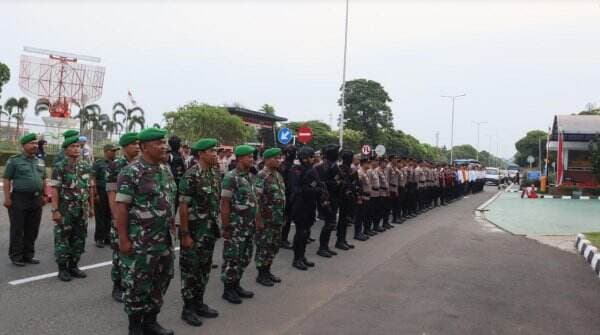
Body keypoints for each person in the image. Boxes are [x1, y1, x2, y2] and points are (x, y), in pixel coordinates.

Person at [116, 128, 176, 335]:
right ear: (144, 147)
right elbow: (122, 207)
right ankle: (135, 327)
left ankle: (151, 322)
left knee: (162, 281)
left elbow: (170, 201)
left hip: (165, 239)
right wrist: (123, 239)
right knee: (137, 286)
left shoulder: (165, 169)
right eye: (158, 143)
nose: (164, 146)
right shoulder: (130, 172)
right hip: (142, 241)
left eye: (164, 142)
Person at [178, 138, 221, 326]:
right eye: (212, 151)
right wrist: (185, 234)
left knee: (204, 268)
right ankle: (188, 309)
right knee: (190, 271)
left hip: (209, 230)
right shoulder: (191, 175)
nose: (215, 154)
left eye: (216, 151)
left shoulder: (214, 173)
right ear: (201, 154)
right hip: (194, 232)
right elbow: (183, 206)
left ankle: (199, 303)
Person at [49, 135, 95, 281]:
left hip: (82, 210)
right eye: (73, 147)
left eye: (78, 147)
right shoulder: (59, 167)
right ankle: (62, 269)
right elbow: (55, 189)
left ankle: (73, 266)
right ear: (66, 149)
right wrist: (55, 210)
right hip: (65, 210)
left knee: (79, 239)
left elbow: (89, 189)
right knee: (63, 239)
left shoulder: (85, 166)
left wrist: (92, 207)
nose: (76, 149)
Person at [220, 145, 261, 304]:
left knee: (244, 257)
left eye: (252, 156)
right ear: (239, 158)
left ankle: (236, 284)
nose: (252, 159)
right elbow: (224, 203)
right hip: (236, 226)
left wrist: (257, 220)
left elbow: (254, 200)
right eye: (248, 157)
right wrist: (226, 226)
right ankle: (228, 289)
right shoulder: (231, 177)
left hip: (248, 226)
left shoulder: (250, 176)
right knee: (232, 258)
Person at [3, 133, 47, 266]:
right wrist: (7, 198)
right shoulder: (14, 160)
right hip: (19, 198)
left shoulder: (40, 161)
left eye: (35, 143)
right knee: (18, 229)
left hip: (36, 199)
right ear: (23, 146)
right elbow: (7, 179)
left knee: (32, 228)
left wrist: (44, 195)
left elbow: (44, 179)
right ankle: (16, 256)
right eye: (31, 143)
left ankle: (28, 255)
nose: (35, 146)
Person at [106, 132, 139, 303]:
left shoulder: (143, 165)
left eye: (138, 143)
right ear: (125, 146)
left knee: (134, 252)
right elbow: (111, 192)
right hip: (121, 213)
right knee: (120, 252)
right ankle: (117, 286)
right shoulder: (115, 166)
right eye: (133, 144)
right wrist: (115, 216)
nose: (137, 147)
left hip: (138, 218)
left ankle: (130, 284)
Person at [254, 147, 286, 287]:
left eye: (279, 158)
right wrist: (258, 219)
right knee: (264, 246)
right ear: (267, 159)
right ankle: (261, 274)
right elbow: (256, 199)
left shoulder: (278, 175)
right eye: (275, 158)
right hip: (266, 219)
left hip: (277, 218)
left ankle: (268, 271)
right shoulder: (262, 176)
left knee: (273, 246)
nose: (279, 160)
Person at [290, 146, 324, 270]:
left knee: (306, 232)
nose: (313, 159)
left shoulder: (311, 169)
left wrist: (319, 189)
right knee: (300, 233)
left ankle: (302, 256)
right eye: (311, 157)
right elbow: (297, 189)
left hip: (309, 204)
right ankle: (296, 259)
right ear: (304, 158)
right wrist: (312, 190)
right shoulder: (297, 170)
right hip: (300, 205)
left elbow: (316, 183)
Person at [316, 144, 341, 257]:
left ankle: (325, 246)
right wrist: (336, 183)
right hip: (327, 198)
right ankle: (322, 248)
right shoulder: (322, 167)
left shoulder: (333, 165)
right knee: (329, 223)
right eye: (336, 152)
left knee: (331, 223)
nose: (338, 154)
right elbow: (321, 183)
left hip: (334, 197)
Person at [93, 144, 119, 248]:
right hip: (101, 191)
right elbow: (93, 178)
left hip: (112, 192)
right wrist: (95, 194)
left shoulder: (116, 163)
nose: (114, 153)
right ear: (106, 151)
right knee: (100, 216)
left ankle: (108, 236)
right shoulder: (99, 163)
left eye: (115, 151)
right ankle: (99, 238)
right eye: (112, 151)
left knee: (110, 214)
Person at [279, 145, 297, 250]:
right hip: (285, 195)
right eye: (293, 152)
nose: (295, 154)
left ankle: (283, 238)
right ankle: (282, 239)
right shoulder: (284, 166)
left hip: (292, 195)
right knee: (285, 219)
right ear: (288, 153)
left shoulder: (292, 165)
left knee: (288, 218)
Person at [354, 157, 371, 241]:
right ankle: (357, 233)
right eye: (367, 163)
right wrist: (359, 198)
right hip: (362, 197)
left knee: (363, 215)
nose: (369, 164)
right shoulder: (360, 173)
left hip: (366, 197)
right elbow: (358, 187)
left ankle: (361, 232)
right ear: (363, 164)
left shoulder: (365, 172)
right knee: (359, 216)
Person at [168, 135, 186, 213]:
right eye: (179, 143)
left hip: (174, 182)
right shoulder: (174, 156)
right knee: (174, 204)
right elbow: (182, 170)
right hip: (175, 182)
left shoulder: (173, 155)